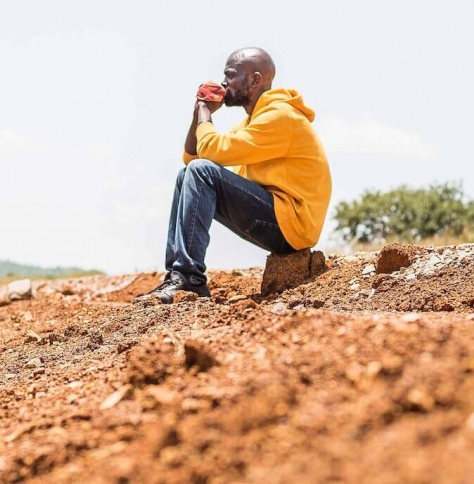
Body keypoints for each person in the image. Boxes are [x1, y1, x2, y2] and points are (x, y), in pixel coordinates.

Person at [140, 47, 332, 303]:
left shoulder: (280, 117)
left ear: (254, 79)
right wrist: (198, 112)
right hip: (277, 217)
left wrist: (206, 115)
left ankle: (190, 279)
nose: (223, 82)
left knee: (199, 173)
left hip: (292, 225)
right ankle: (177, 276)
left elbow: (207, 155)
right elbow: (193, 157)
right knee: (185, 174)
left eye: (230, 75)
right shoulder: (253, 121)